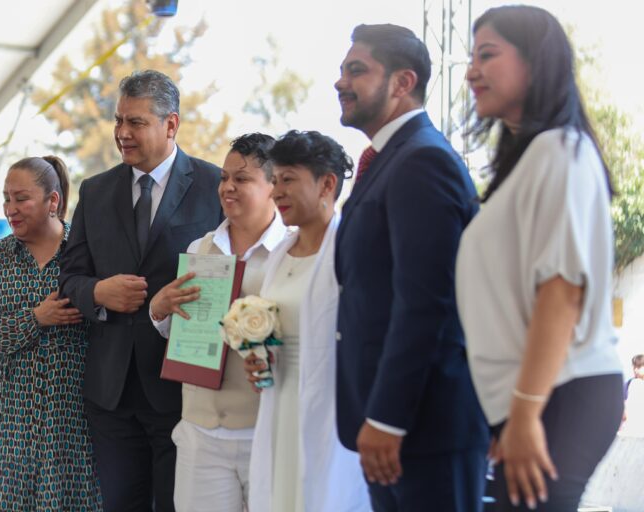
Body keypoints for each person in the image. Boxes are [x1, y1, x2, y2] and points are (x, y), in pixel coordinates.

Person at [457, 5, 624, 511]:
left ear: (536, 60)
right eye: (471, 58)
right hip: (542, 394)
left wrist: (526, 412)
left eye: (488, 55)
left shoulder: (560, 150)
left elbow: (562, 292)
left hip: (562, 391)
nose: (471, 72)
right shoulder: (535, 158)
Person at [333, 23, 489, 511]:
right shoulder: (388, 159)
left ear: (402, 82)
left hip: (423, 428)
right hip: (394, 429)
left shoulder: (423, 161)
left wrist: (388, 417)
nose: (340, 82)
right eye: (342, 70)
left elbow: (426, 303)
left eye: (356, 71)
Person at [59, 69, 223, 512]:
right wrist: (99, 292)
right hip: (110, 394)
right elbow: (70, 277)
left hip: (182, 388)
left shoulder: (214, 186)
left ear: (171, 125)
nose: (122, 133)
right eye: (118, 121)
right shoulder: (95, 191)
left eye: (136, 122)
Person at [147, 132, 286, 511]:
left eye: (242, 178)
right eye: (224, 177)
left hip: (264, 431)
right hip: (200, 431)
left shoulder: (290, 252)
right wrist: (159, 310)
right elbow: (183, 331)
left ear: (273, 186)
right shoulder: (199, 249)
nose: (227, 187)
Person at [244, 130, 370, 512]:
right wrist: (258, 354)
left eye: (288, 180)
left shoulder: (350, 249)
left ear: (327, 184)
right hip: (280, 398)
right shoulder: (280, 253)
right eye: (274, 180)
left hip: (332, 402)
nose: (277, 192)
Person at [0, 155, 101, 511]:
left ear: (52, 201)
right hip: (10, 417)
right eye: (6, 198)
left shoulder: (88, 254)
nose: (10, 209)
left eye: (21, 198)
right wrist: (36, 318)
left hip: (71, 416)